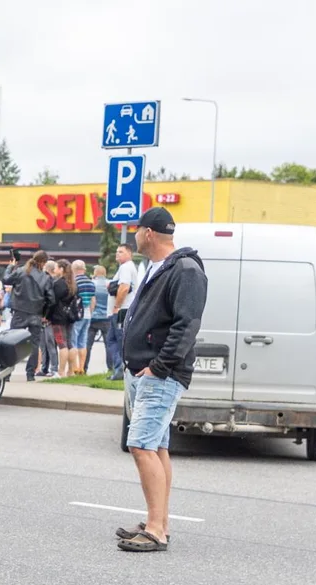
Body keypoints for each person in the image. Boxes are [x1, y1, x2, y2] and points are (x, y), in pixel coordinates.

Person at [118, 207, 206, 553]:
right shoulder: (159, 268)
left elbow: (187, 325)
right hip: (146, 371)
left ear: (149, 234)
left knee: (140, 445)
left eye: (137, 230)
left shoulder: (184, 269)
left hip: (160, 375)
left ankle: (156, 529)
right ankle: (160, 519)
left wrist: (159, 366)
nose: (135, 236)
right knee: (156, 446)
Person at [3, 251, 52, 382]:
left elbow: (6, 279)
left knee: (12, 342)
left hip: (19, 312)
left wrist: (10, 266)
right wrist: (45, 314)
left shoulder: (20, 271)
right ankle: (30, 374)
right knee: (34, 345)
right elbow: (51, 299)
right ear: (43, 263)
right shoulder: (45, 277)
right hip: (36, 314)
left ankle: (7, 374)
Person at [109, 244, 139, 380]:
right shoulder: (126, 267)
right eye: (116, 251)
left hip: (122, 310)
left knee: (117, 340)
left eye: (121, 252)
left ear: (129, 253)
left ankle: (120, 369)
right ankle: (118, 369)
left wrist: (117, 306)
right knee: (113, 339)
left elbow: (124, 288)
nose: (117, 254)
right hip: (122, 309)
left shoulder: (126, 267)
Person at [68, 260, 95, 376]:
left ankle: (73, 368)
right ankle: (81, 368)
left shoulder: (74, 282)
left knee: (73, 341)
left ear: (74, 269)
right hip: (87, 313)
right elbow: (93, 300)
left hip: (76, 315)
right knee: (83, 342)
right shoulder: (90, 283)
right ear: (83, 269)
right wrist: (90, 312)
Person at [85, 264, 113, 372]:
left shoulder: (92, 284)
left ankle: (84, 367)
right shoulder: (109, 284)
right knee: (108, 344)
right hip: (106, 317)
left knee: (88, 344)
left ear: (95, 273)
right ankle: (111, 368)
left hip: (93, 317)